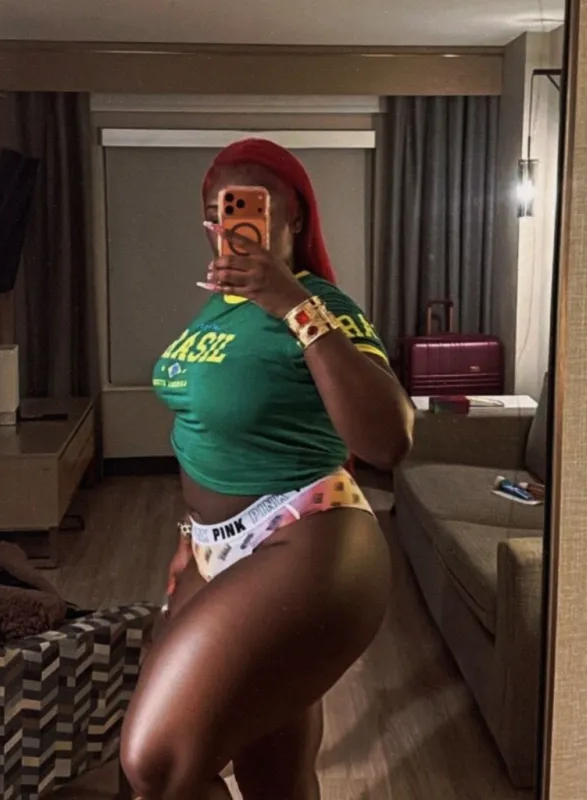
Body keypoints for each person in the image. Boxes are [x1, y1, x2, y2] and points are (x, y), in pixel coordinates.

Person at [120, 137, 414, 800]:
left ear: (296, 214)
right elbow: (206, 432)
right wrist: (188, 535)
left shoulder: (322, 304)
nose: (228, 223)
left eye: (249, 203)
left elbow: (389, 439)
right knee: (273, 776)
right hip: (213, 551)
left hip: (305, 535)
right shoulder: (213, 311)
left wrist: (293, 305)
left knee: (155, 765)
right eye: (215, 211)